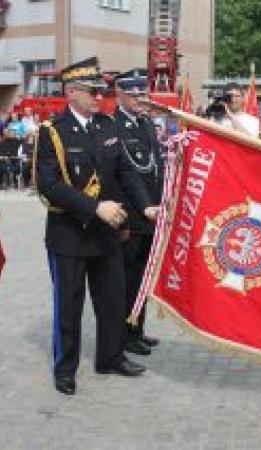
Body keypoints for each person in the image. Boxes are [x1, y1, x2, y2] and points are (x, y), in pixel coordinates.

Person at [35, 57, 157, 396]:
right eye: (92, 92)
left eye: (101, 91)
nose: (99, 97)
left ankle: (110, 357)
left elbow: (125, 173)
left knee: (113, 300)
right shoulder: (52, 132)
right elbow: (48, 184)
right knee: (69, 306)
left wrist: (145, 205)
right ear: (71, 92)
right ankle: (65, 368)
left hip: (107, 234)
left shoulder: (107, 127)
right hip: (69, 235)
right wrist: (94, 207)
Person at [113, 68, 164, 356]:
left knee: (143, 277)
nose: (139, 100)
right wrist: (143, 208)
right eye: (133, 95)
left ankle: (137, 329)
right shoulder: (115, 125)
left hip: (151, 215)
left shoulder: (144, 124)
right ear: (120, 94)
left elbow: (155, 169)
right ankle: (124, 334)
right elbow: (127, 175)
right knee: (128, 278)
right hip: (133, 217)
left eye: (142, 94)